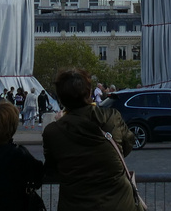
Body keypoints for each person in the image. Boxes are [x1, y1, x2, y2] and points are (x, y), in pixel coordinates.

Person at [42, 68, 139, 211]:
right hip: (119, 203)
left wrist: (61, 123)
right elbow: (127, 145)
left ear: (61, 98)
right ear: (89, 93)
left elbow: (52, 167)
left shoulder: (53, 131)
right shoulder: (112, 117)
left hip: (76, 204)